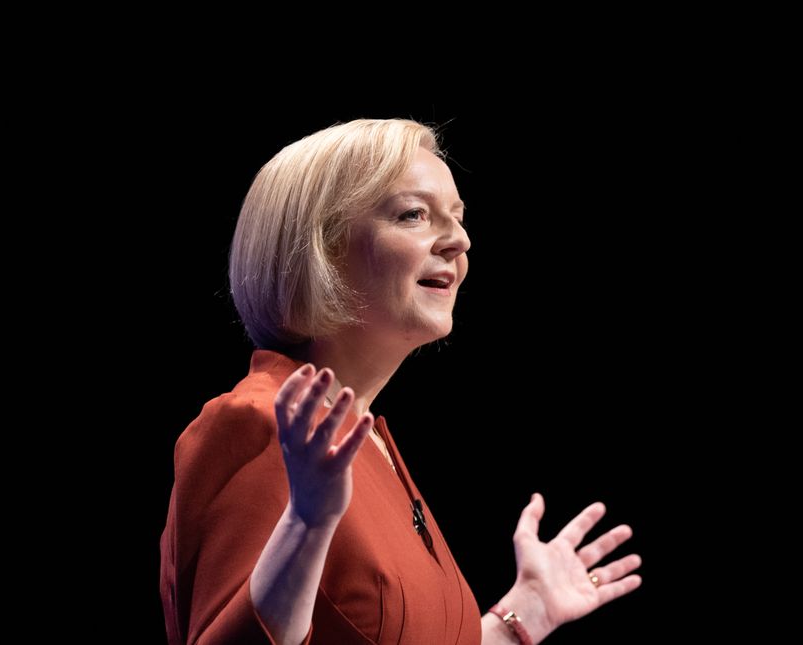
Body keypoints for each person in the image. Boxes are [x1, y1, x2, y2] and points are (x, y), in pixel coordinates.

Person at [160, 118, 642, 645]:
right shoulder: (257, 421)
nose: (459, 240)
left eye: (458, 218)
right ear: (321, 248)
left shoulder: (370, 441)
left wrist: (521, 617)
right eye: (414, 214)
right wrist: (306, 524)